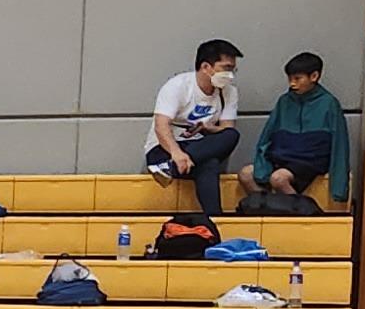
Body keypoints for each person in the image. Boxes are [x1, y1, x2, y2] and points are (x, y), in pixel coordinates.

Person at [150, 39, 248, 213]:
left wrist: (210, 129)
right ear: (206, 67)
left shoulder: (229, 92)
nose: (230, 75)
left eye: (233, 69)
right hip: (165, 149)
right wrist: (176, 153)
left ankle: (214, 221)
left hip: (199, 147)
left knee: (231, 136)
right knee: (209, 163)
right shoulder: (178, 86)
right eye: (226, 68)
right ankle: (169, 164)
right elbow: (161, 126)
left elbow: (227, 129)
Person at [254, 52, 354, 210]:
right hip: (282, 157)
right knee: (246, 174)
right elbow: (266, 138)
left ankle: (304, 211)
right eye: (290, 79)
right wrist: (261, 168)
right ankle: (271, 210)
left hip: (311, 160)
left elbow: (340, 145)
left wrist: (339, 189)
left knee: (279, 179)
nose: (292, 84)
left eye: (297, 78)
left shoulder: (329, 103)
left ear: (314, 76)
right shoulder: (284, 101)